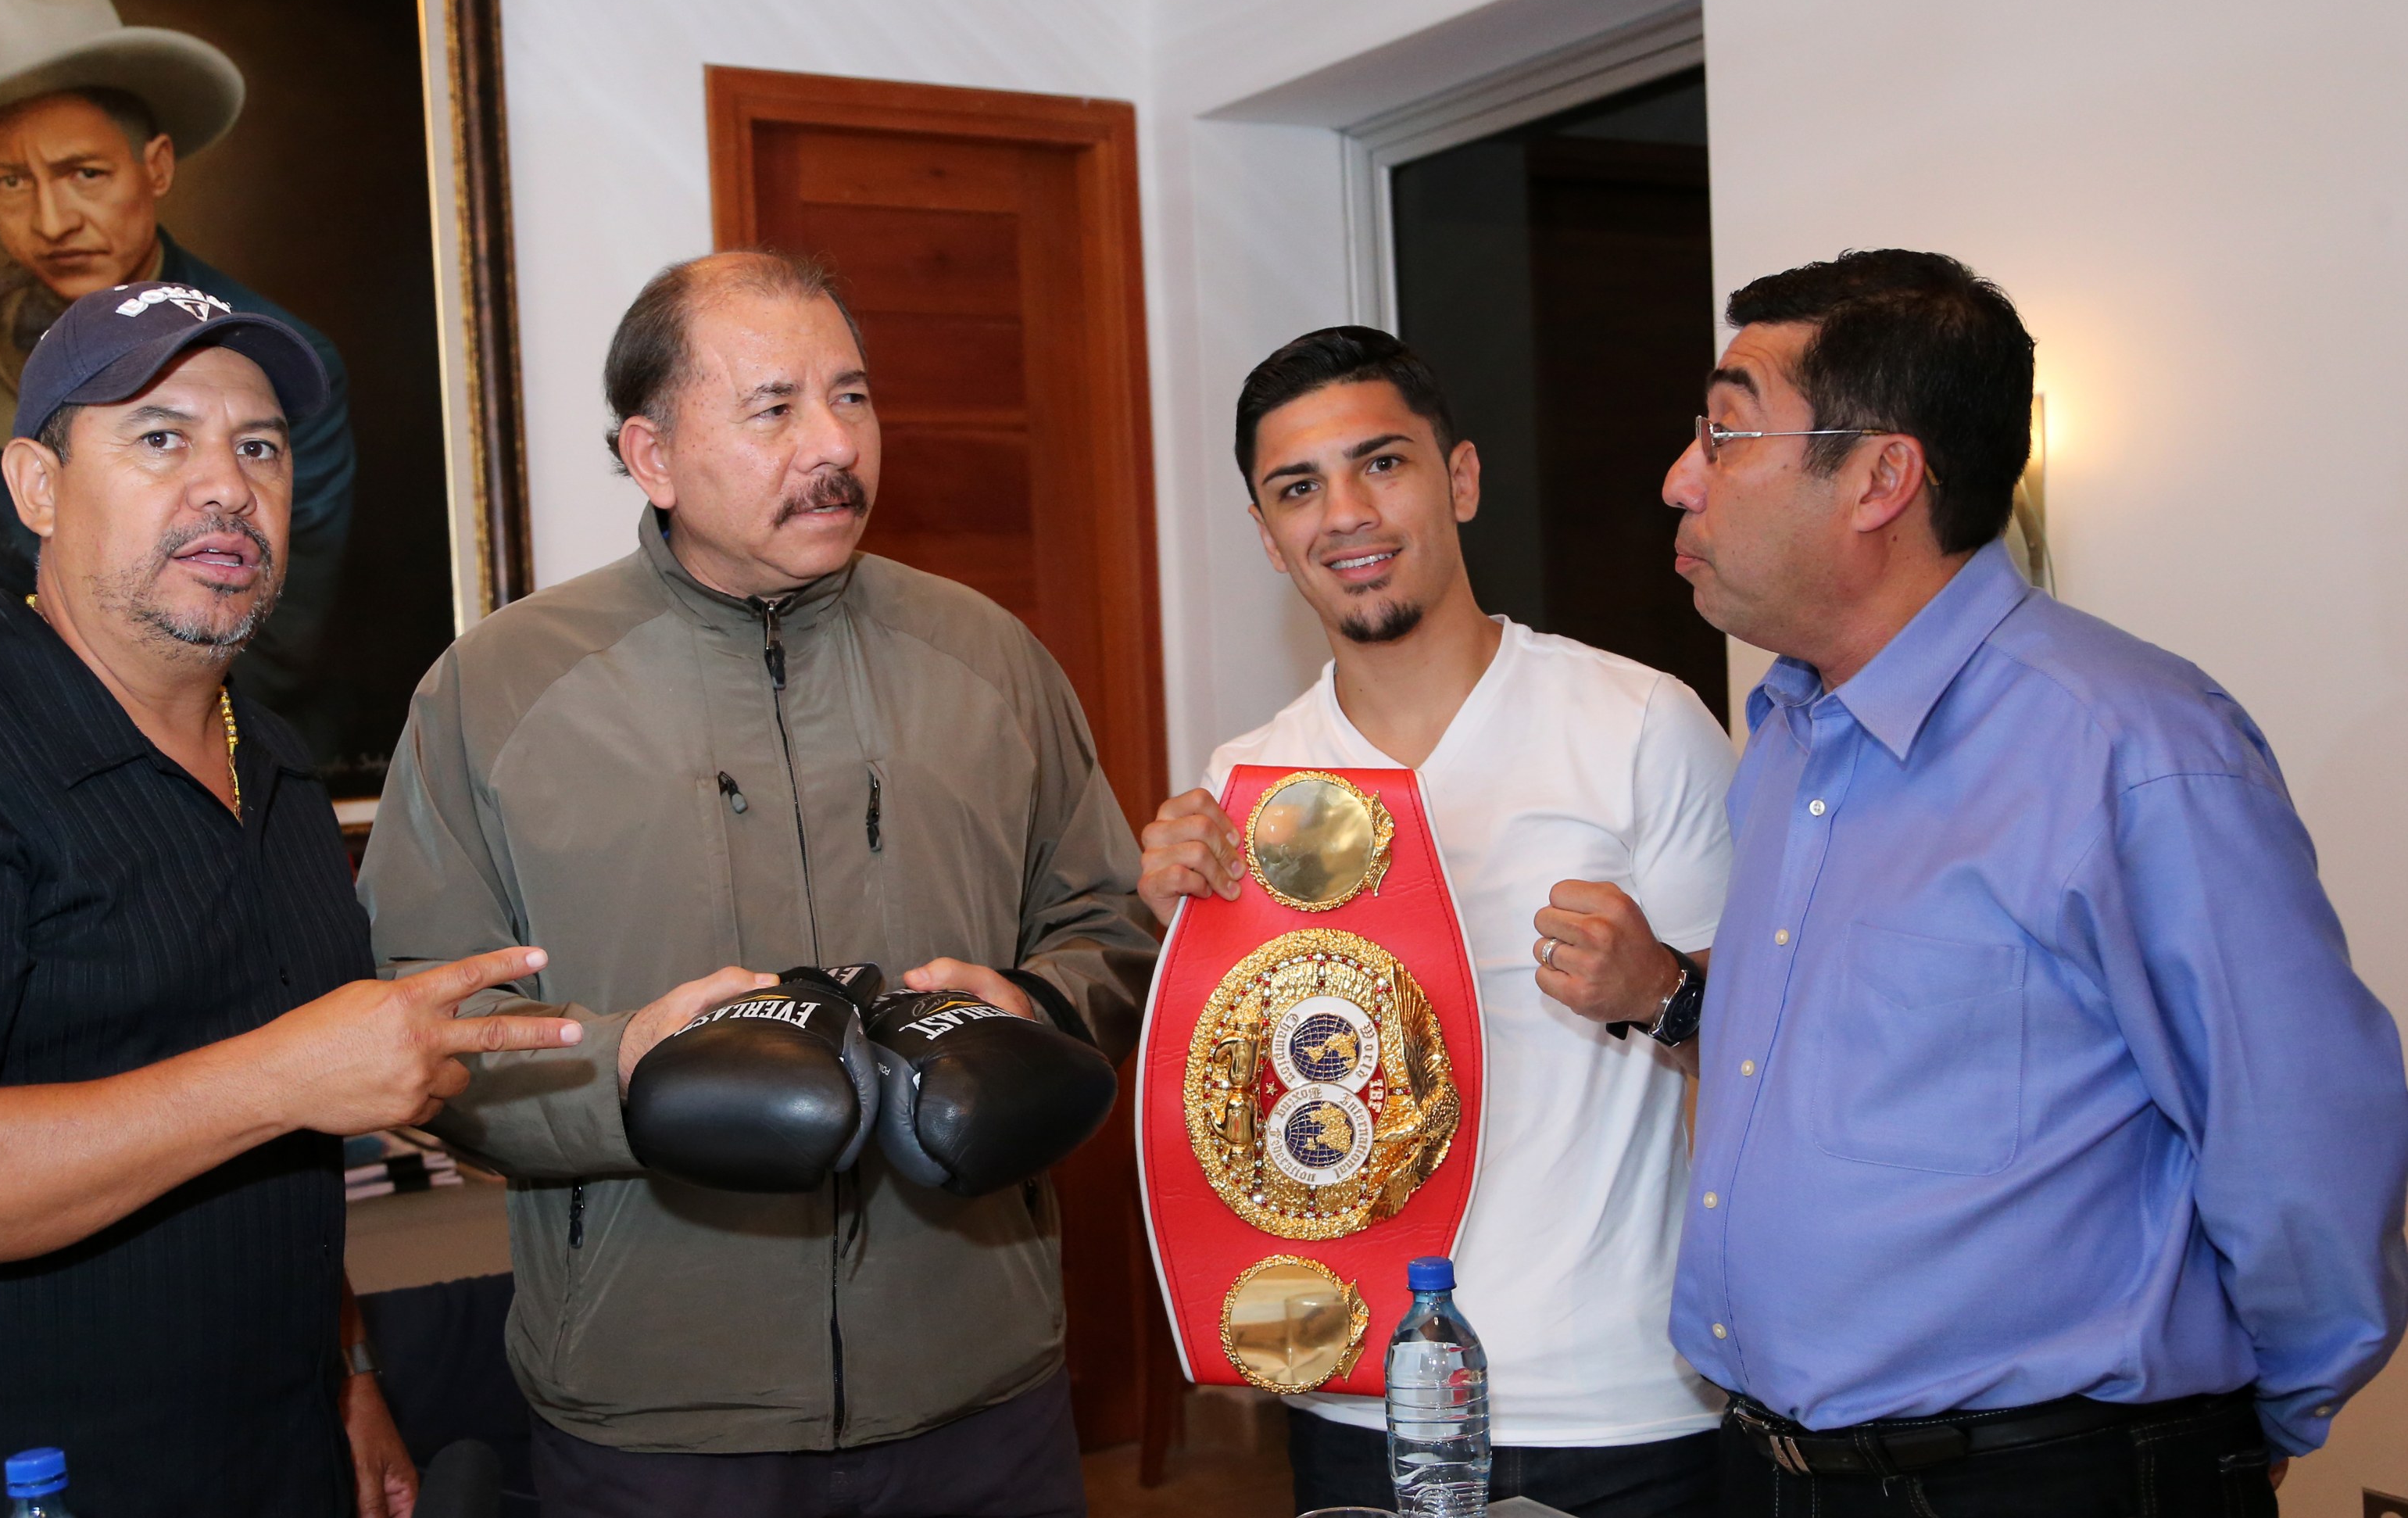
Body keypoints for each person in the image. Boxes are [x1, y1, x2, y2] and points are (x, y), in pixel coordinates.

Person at [0, 284, 581, 1518]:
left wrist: (349, 1373)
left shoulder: (275, 766)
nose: (228, 485)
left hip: (279, 1458)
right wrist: (285, 1074)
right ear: (36, 486)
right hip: (23, 1482)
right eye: (160, 437)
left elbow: (270, 1155)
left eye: (261, 447)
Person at [355, 249, 1156, 1517]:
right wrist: (624, 1069)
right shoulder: (497, 690)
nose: (834, 444)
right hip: (659, 1408)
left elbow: (1111, 925)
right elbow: (426, 1024)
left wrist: (1037, 1008)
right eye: (775, 407)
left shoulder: (990, 657)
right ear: (653, 455)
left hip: (977, 1384)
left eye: (852, 396)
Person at [1634, 248, 2408, 1513]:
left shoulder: (2126, 743)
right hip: (1784, 1468)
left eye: (1725, 431)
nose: (1680, 477)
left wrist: (2250, 1416)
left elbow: (2300, 1133)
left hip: (2048, 1475)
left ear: (1881, 477)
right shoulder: (1782, 737)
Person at [1137, 327, 1734, 1517]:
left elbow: (1774, 1059)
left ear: (1459, 478)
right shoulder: (1250, 784)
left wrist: (1661, 987)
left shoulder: (1638, 723)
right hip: (1359, 1393)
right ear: (1266, 534)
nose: (1345, 514)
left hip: (1615, 1400)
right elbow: (1257, 1128)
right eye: (1298, 488)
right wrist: (1185, 957)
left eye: (1382, 464)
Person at [0, 0, 356, 742]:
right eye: (11, 181)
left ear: (155, 168)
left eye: (85, 173)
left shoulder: (273, 361)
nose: (52, 222)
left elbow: (278, 629)